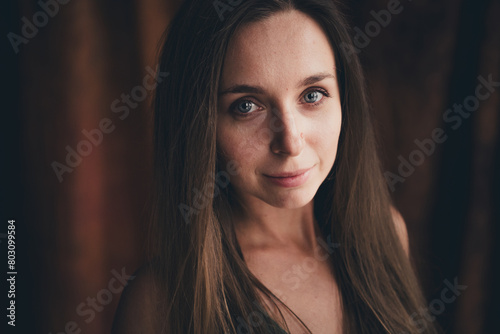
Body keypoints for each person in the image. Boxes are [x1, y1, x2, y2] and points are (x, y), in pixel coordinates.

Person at [112, 0, 439, 333]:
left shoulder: (386, 233)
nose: (291, 142)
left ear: (345, 99)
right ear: (198, 125)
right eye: (246, 106)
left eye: (313, 95)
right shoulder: (160, 301)